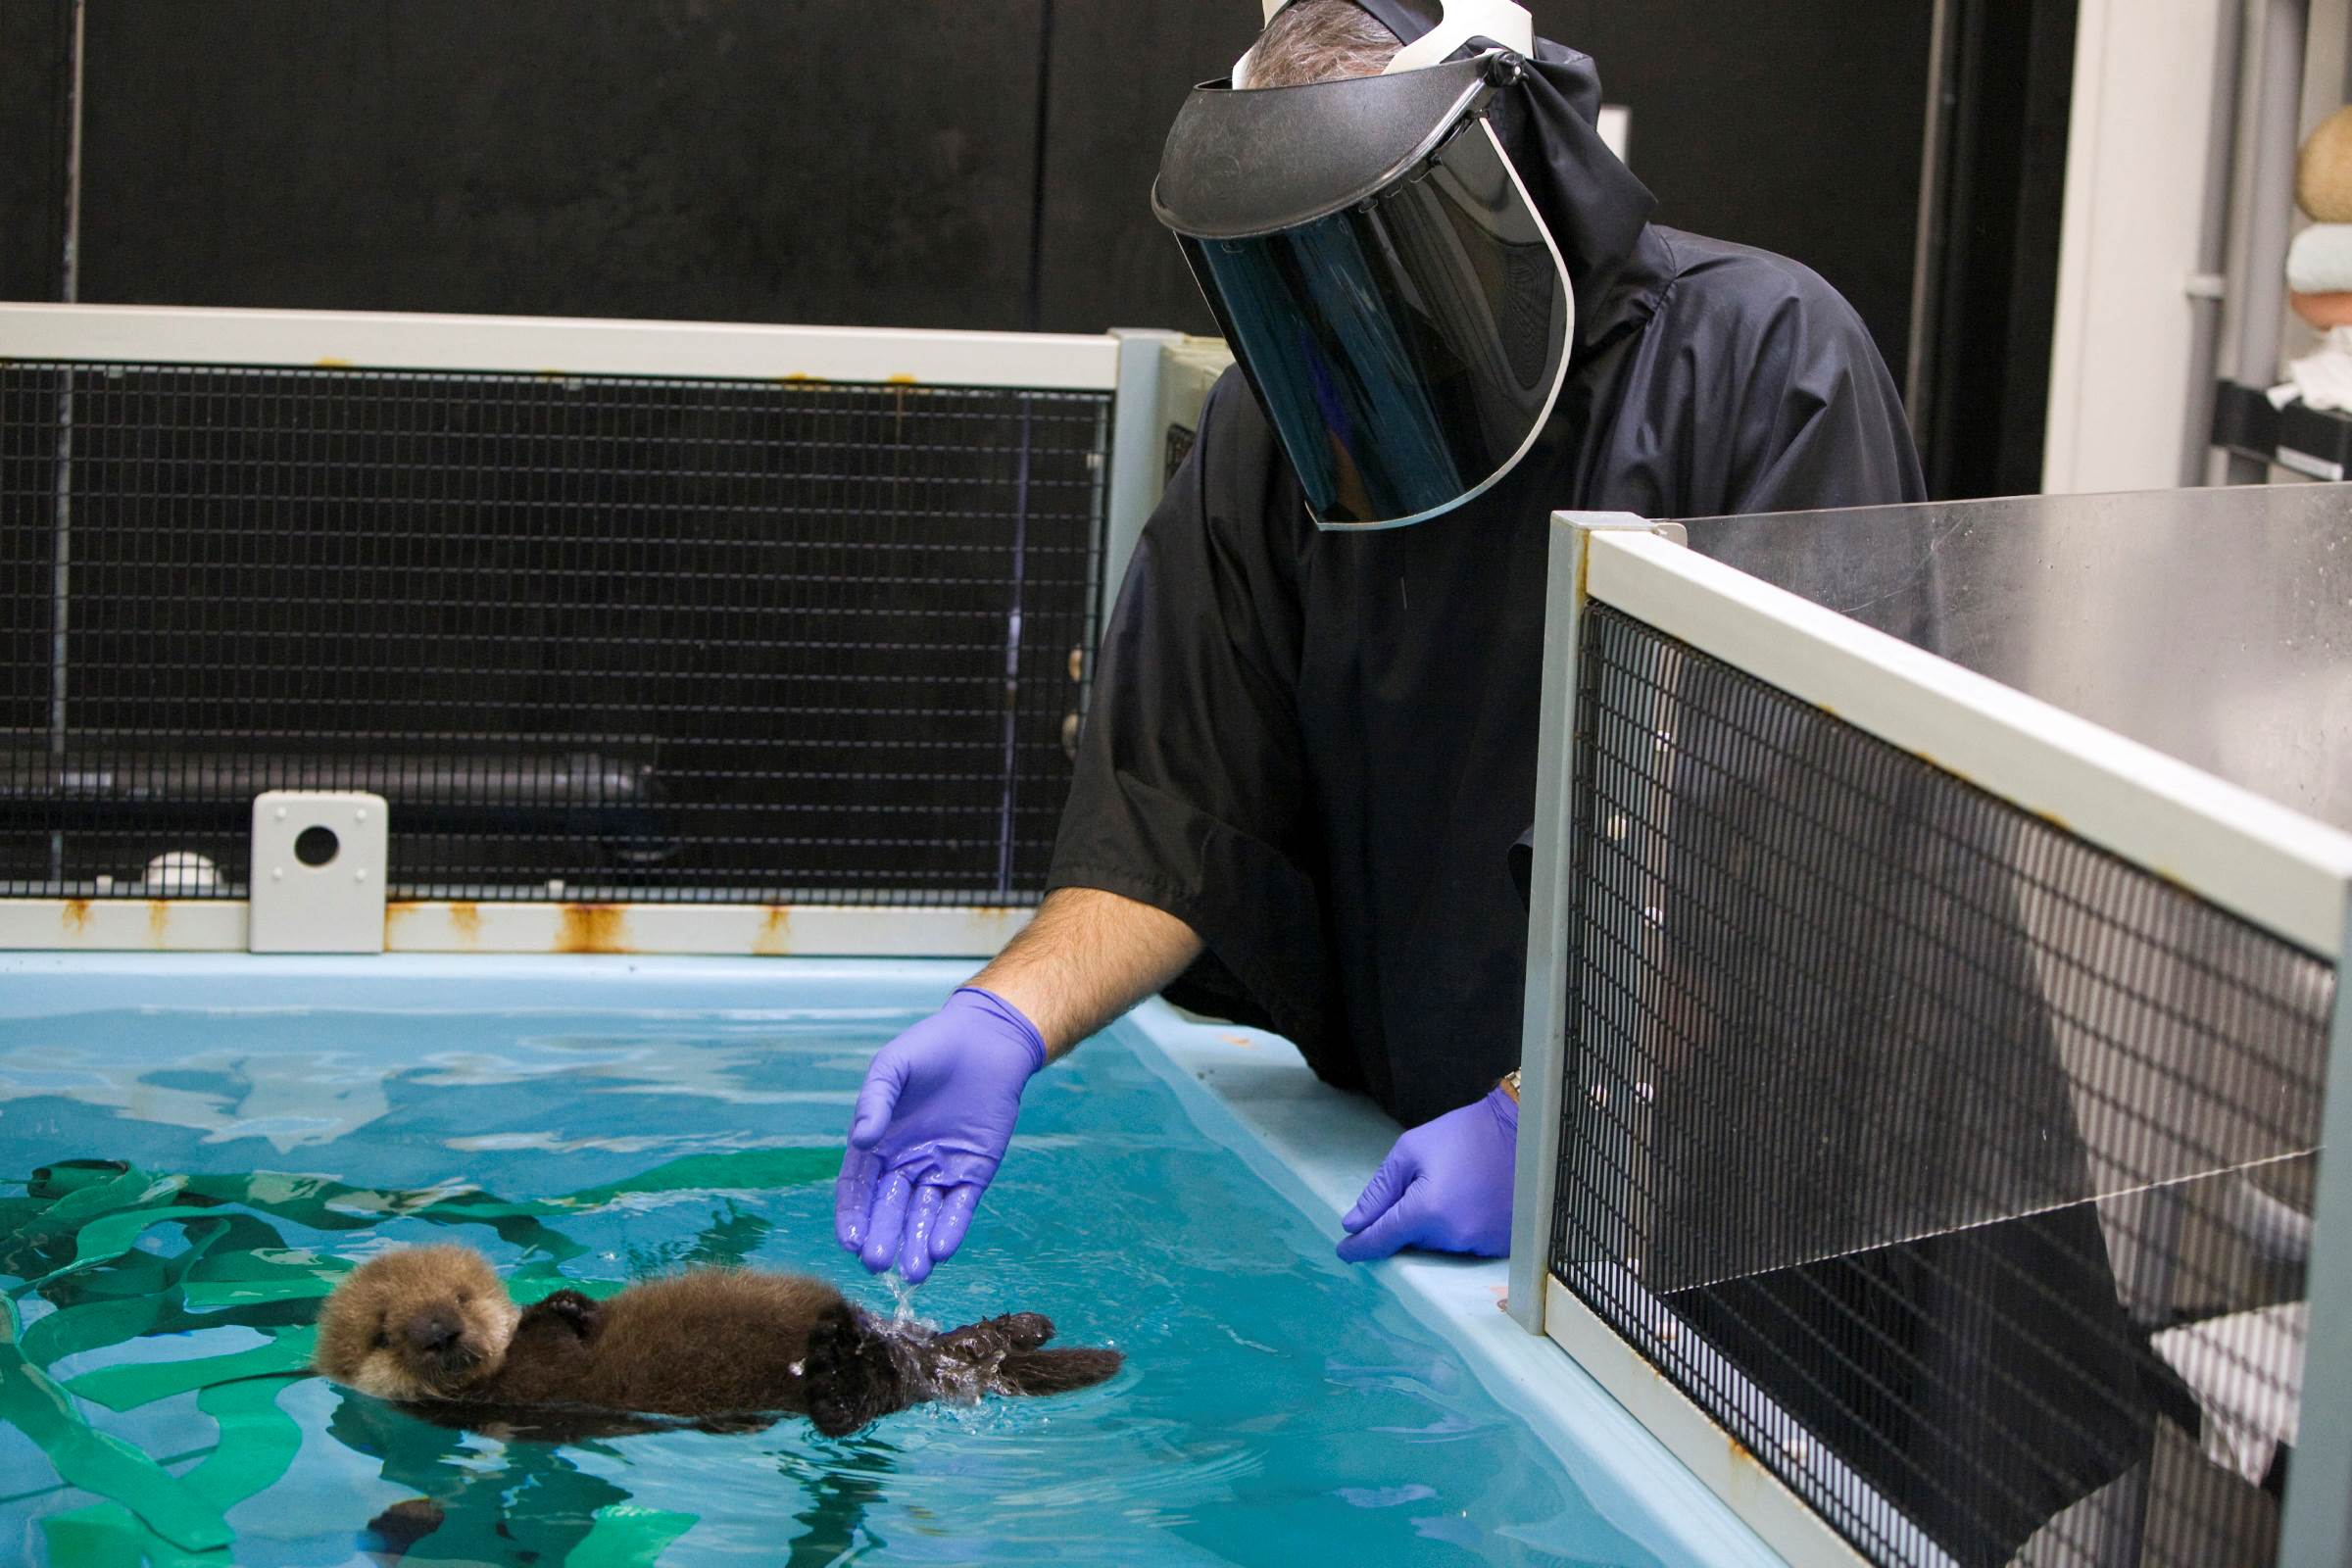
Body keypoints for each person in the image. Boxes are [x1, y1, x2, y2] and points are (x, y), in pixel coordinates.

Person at [835, 0, 1917, 1281]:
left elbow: (1793, 856)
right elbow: (1180, 807)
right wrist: (1007, 1014)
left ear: (1498, 177)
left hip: (1753, 1208)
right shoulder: (1280, 429)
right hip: (1449, 1174)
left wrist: (1549, 1110)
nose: (1345, 318)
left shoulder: (1760, 360)